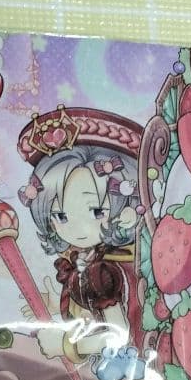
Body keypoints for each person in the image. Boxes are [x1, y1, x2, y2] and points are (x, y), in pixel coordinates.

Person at [15, 107, 146, 364]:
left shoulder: (105, 271)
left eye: (97, 211)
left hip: (121, 371)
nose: (76, 230)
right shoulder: (92, 259)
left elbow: (119, 337)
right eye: (60, 216)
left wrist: (65, 345)